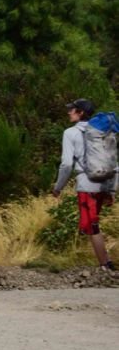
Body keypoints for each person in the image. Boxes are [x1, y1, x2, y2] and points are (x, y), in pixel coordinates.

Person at [52, 98, 117, 271]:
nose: (69, 112)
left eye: (72, 110)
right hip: (104, 183)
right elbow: (113, 162)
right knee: (94, 224)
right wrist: (112, 190)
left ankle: (105, 265)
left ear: (80, 113)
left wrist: (58, 187)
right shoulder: (102, 131)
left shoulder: (70, 133)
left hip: (87, 185)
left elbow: (66, 164)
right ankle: (106, 262)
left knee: (92, 226)